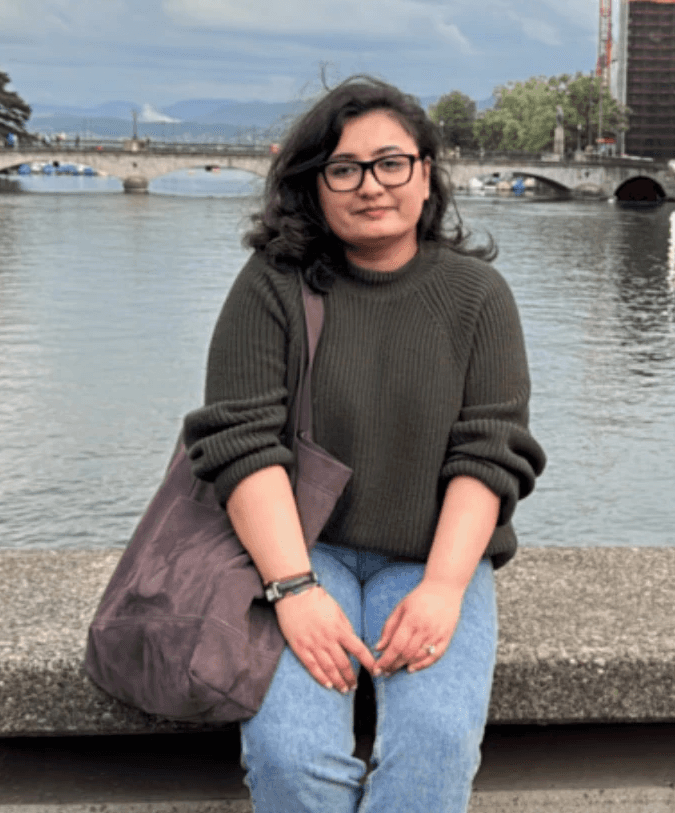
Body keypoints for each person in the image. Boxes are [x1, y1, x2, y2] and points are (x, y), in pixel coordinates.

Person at [183, 76, 545, 813]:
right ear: (313, 184)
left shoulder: (478, 296)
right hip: (302, 546)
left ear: (425, 171)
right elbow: (242, 443)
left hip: (430, 552)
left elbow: (491, 452)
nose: (370, 185)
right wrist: (291, 587)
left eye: (391, 163)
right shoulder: (272, 285)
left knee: (434, 747)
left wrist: (445, 588)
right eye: (343, 168)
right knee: (292, 756)